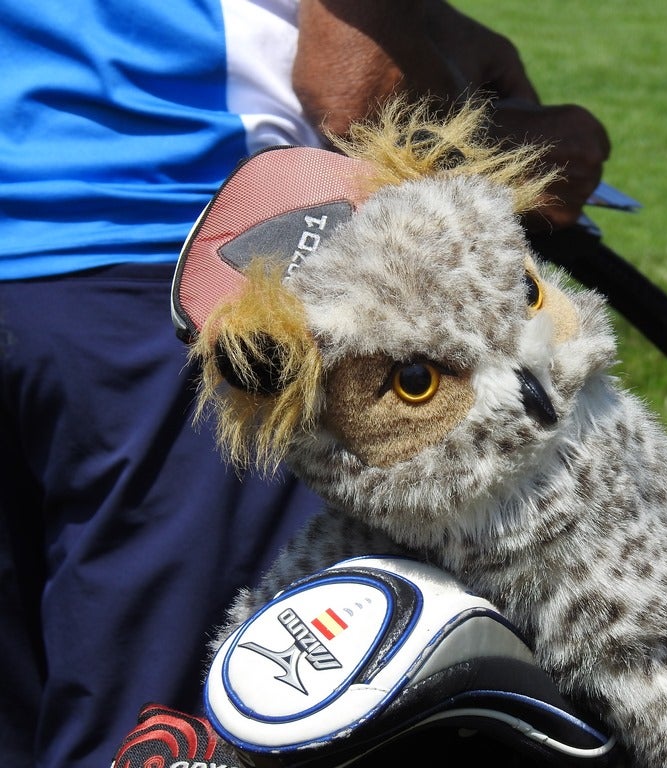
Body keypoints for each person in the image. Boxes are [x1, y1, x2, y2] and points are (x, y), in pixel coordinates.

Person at [0, 3, 610, 767]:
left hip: (42, 257)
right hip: (200, 264)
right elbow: (353, 84)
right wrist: (525, 155)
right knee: (212, 728)